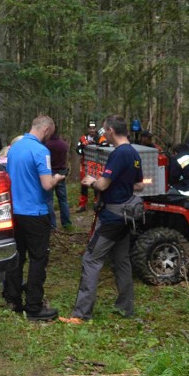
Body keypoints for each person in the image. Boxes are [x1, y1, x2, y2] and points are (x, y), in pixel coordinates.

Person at [61, 115, 144, 324]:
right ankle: (126, 308)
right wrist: (121, 185)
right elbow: (140, 185)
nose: (103, 134)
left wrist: (92, 181)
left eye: (104, 131)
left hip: (112, 217)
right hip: (126, 215)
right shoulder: (134, 153)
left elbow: (103, 185)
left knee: (91, 259)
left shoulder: (119, 154)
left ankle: (81, 314)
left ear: (110, 131)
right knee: (122, 260)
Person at [4, 115, 65, 321]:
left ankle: (12, 299)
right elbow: (47, 184)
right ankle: (33, 307)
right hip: (35, 213)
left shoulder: (15, 149)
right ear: (46, 130)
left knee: (17, 257)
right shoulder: (41, 151)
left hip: (15, 212)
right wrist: (57, 178)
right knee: (38, 259)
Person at [45, 127, 72, 231]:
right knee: (63, 200)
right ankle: (66, 224)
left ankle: (52, 225)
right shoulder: (63, 144)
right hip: (61, 174)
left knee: (49, 200)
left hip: (49, 174)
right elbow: (66, 160)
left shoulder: (46, 145)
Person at [75, 121, 98, 213]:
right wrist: (84, 146)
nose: (92, 130)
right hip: (85, 164)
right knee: (84, 184)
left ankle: (97, 202)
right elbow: (78, 150)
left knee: (96, 184)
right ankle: (82, 204)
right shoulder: (82, 138)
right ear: (88, 129)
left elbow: (105, 147)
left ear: (96, 129)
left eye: (93, 128)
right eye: (90, 128)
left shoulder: (100, 138)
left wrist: (95, 143)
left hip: (96, 165)